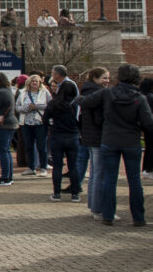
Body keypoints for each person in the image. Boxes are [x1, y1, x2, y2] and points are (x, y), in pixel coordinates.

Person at [78, 63, 150, 227]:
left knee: (109, 179)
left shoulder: (107, 93)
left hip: (110, 140)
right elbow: (148, 122)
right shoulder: (139, 98)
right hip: (131, 141)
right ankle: (138, 217)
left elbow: (86, 101)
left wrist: (74, 98)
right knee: (134, 181)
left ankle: (108, 215)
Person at [78, 67, 109, 218]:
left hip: (89, 136)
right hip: (97, 136)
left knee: (94, 172)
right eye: (104, 78)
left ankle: (93, 204)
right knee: (98, 173)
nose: (107, 81)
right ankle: (98, 208)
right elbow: (99, 118)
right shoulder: (98, 94)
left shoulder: (86, 91)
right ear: (95, 79)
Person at [43, 81, 81, 202]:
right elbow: (81, 120)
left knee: (57, 166)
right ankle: (75, 193)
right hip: (73, 136)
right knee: (73, 166)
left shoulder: (53, 103)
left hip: (57, 135)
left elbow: (45, 118)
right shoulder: (76, 104)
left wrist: (51, 125)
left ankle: (57, 193)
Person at [16, 74, 52, 177]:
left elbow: (50, 105)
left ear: (40, 82)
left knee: (42, 146)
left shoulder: (45, 92)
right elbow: (17, 107)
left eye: (36, 81)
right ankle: (31, 167)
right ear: (29, 83)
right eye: (33, 81)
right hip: (26, 123)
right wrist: (26, 108)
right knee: (28, 146)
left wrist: (36, 106)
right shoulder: (23, 93)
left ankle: (43, 167)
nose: (35, 83)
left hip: (40, 122)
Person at [0, 73, 18, 185]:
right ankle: (8, 176)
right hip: (10, 123)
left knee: (2, 150)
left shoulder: (0, 93)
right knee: (6, 150)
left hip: (3, 124)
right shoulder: (8, 91)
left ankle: (5, 177)